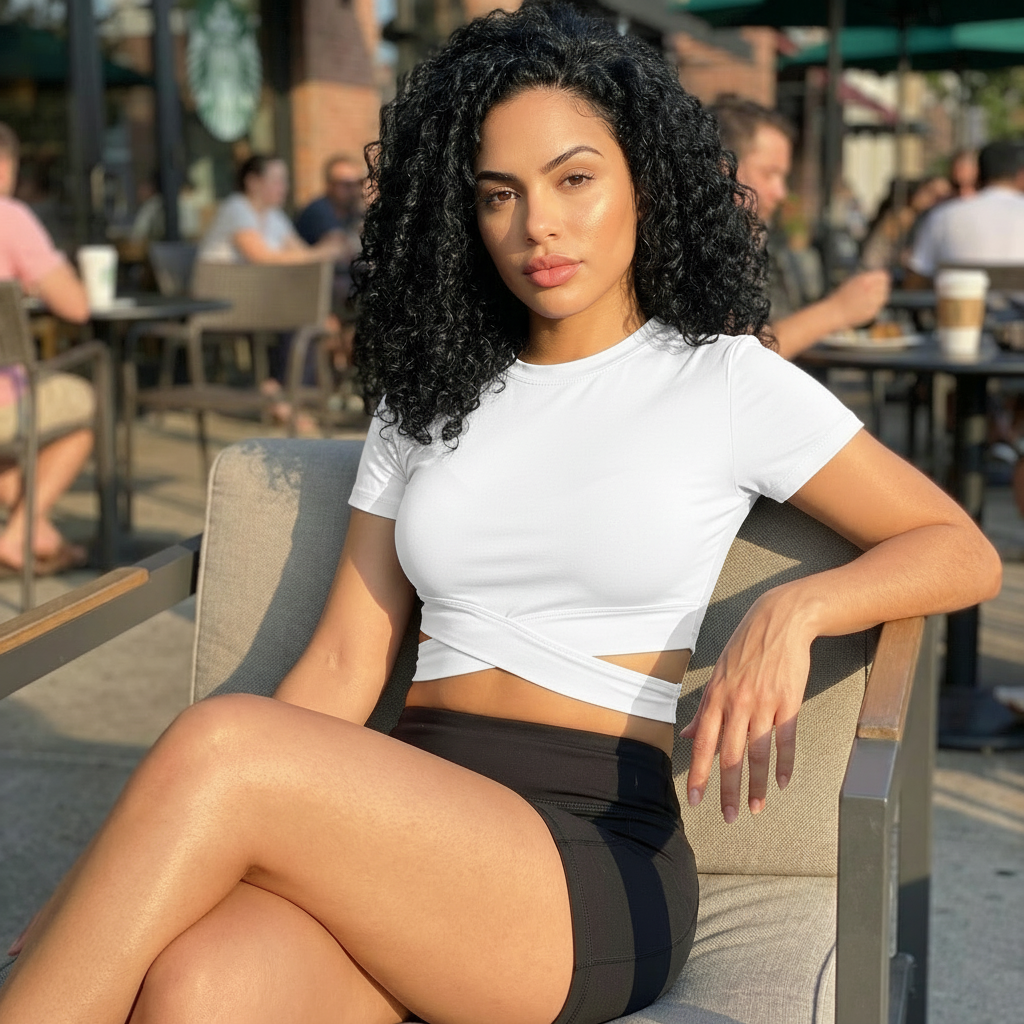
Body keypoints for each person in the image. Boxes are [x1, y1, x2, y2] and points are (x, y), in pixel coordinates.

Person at [0, 6, 1001, 1023]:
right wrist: (105, 885)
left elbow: (958, 548)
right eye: (498, 194)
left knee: (225, 745)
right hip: (400, 824)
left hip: (584, 855)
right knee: (199, 985)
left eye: (574, 180)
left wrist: (798, 610)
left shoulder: (722, 379)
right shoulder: (429, 390)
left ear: (642, 180)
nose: (539, 228)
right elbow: (347, 662)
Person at [710, 97, 891, 359]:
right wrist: (839, 310)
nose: (781, 192)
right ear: (724, 167)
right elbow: (746, 355)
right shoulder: (704, 247)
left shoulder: (751, 239)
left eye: (784, 176)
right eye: (770, 173)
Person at [0, 121, 93, 577]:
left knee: (15, 442)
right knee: (82, 413)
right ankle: (18, 537)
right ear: (5, 165)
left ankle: (38, 535)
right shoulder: (9, 216)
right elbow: (75, 307)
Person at [906, 140, 1024, 283]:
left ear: (978, 174)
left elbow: (917, 278)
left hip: (962, 304)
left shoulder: (943, 216)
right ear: (1021, 175)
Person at [198, 154, 343, 265]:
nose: (284, 188)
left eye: (284, 181)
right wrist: (323, 252)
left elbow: (300, 251)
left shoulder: (274, 214)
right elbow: (262, 258)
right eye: (277, 181)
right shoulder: (236, 207)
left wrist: (330, 247)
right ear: (253, 182)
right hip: (223, 292)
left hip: (259, 289)